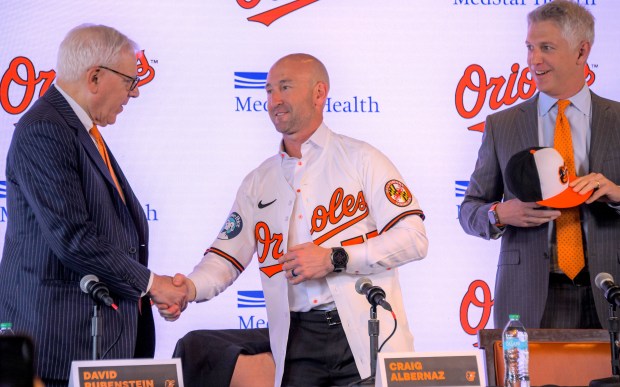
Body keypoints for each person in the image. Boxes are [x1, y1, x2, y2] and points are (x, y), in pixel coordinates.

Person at [160, 53, 428, 386]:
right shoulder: (259, 181)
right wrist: (189, 287)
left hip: (364, 329)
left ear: (319, 93)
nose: (274, 100)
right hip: (296, 338)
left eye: (285, 88)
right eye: (269, 91)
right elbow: (225, 258)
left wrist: (335, 258)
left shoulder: (362, 159)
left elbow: (414, 237)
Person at [0, 24, 188, 386]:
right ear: (96, 77)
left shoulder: (79, 130)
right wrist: (151, 284)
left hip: (95, 343)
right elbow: (73, 238)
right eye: (130, 82)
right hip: (58, 340)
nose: (133, 94)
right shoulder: (46, 129)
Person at [459, 0, 620, 331]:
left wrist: (617, 193)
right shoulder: (501, 125)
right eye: (530, 47)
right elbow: (469, 210)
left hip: (609, 292)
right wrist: (500, 214)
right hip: (529, 297)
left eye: (546, 48)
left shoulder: (617, 120)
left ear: (581, 52)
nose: (533, 60)